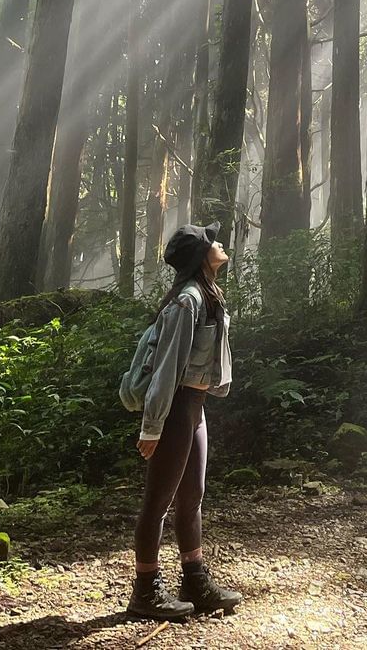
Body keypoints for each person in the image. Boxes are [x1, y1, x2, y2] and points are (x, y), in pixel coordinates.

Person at [127, 221, 242, 622]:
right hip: (175, 408)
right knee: (157, 504)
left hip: (194, 408)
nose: (220, 243)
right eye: (213, 241)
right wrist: (152, 426)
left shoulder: (209, 294)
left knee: (192, 497)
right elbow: (166, 368)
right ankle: (145, 592)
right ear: (200, 256)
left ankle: (193, 581)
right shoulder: (187, 301)